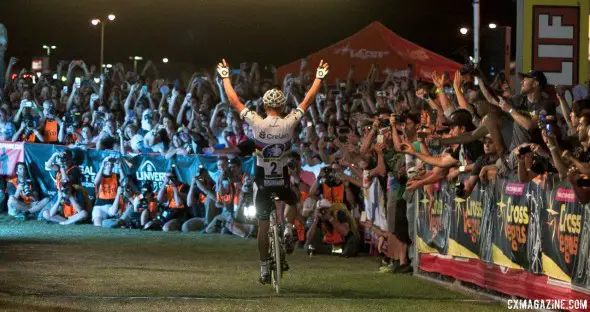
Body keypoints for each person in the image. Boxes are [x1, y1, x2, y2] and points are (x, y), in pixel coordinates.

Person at [217, 58, 329, 284]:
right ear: (282, 106)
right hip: (282, 182)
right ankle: (288, 229)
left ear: (265, 106)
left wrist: (225, 76)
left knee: (263, 226)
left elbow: (234, 100)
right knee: (292, 200)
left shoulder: (257, 122)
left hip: (263, 183)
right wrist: (318, 78)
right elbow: (307, 101)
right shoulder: (288, 122)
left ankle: (264, 267)